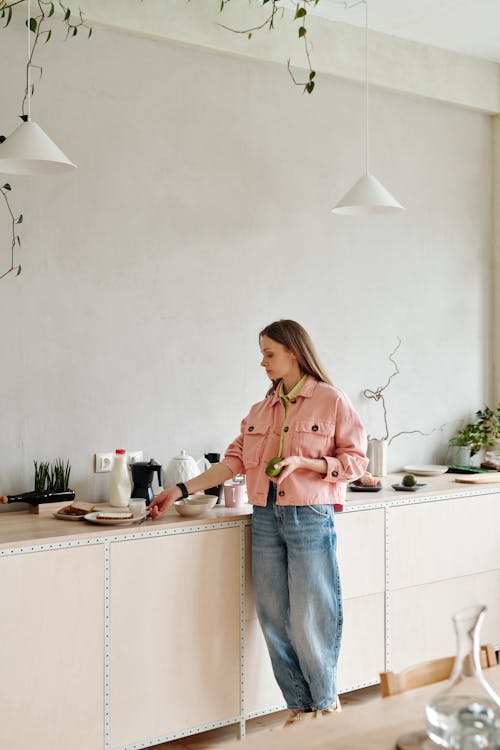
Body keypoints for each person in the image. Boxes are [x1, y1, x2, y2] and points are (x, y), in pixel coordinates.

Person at [149, 320, 369, 726]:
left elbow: (356, 463)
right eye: (262, 353)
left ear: (294, 352)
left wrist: (307, 462)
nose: (262, 361)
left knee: (310, 617)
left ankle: (325, 706)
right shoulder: (260, 410)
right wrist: (178, 490)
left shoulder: (331, 401)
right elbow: (231, 463)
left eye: (269, 353)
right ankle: (300, 707)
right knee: (272, 618)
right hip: (266, 516)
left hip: (309, 516)